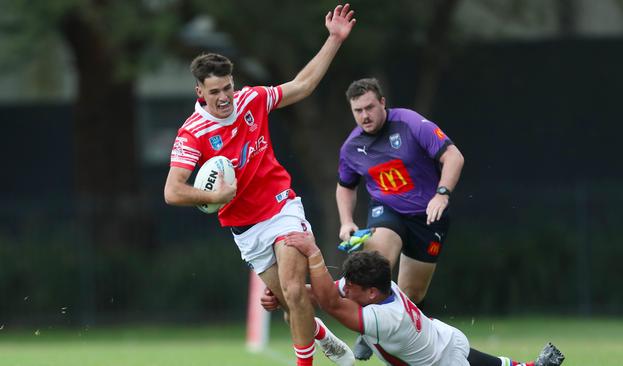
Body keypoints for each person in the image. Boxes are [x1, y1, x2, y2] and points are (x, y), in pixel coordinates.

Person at [163, 5, 356, 366]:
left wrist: (333, 39)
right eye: (215, 91)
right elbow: (172, 191)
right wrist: (215, 196)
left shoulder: (252, 99)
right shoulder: (192, 134)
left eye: (228, 88)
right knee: (287, 302)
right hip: (244, 229)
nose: (224, 98)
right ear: (200, 91)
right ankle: (318, 333)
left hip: (281, 206)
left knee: (296, 292)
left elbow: (303, 85)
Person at [264, 232, 565, 366]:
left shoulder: (386, 318)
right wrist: (286, 295)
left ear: (370, 293)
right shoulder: (378, 287)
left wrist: (314, 254)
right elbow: (324, 293)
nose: (345, 288)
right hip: (445, 340)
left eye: (350, 287)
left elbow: (329, 302)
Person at [337, 77, 465, 359]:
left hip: (429, 216)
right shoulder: (351, 147)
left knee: (411, 294)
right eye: (358, 111)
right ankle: (366, 333)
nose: (364, 116)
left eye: (370, 107)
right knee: (377, 264)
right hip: (388, 211)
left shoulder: (410, 123)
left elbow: (454, 156)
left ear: (383, 103)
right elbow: (345, 186)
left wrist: (441, 194)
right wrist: (346, 221)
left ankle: (400, 346)